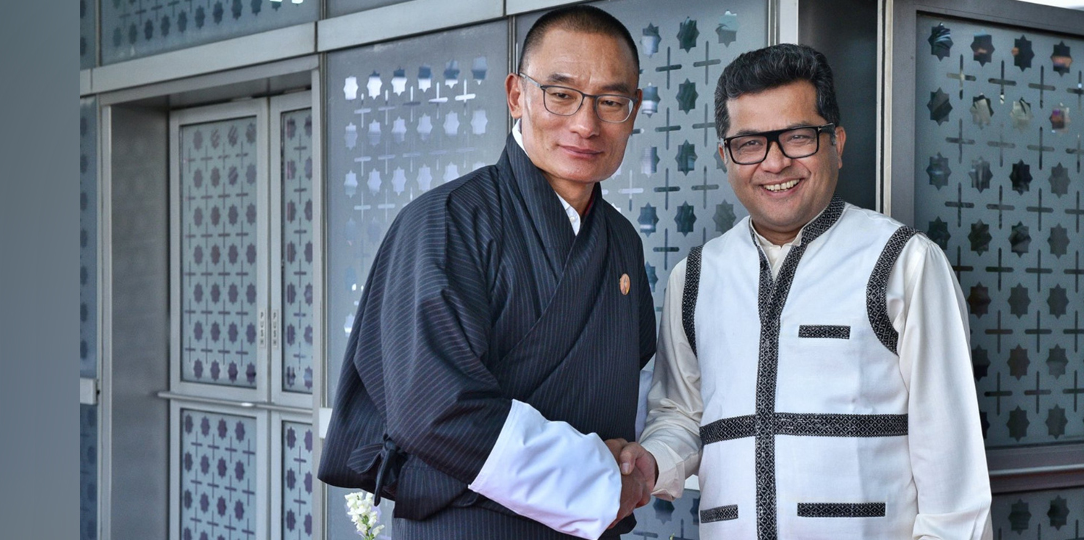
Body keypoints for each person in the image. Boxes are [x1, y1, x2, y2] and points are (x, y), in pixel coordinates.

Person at [615, 44, 993, 539]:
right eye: (749, 143)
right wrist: (653, 461)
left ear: (836, 142)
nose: (774, 163)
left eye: (797, 137)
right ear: (725, 155)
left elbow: (952, 467)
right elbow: (681, 413)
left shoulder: (905, 263)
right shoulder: (697, 275)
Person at [317, 6, 657, 539]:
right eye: (561, 94)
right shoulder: (445, 221)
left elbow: (616, 379)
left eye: (611, 102)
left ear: (633, 110)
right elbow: (436, 410)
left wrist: (633, 465)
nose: (586, 124)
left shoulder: (621, 244)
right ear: (517, 95)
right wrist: (599, 478)